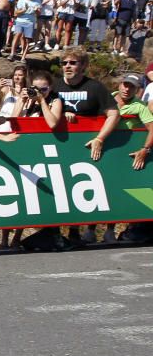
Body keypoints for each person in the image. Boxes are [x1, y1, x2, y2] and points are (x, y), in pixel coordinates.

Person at [52, 48, 121, 244]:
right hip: (58, 147)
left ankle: (92, 229)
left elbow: (114, 114)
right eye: (65, 62)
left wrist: (100, 138)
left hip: (87, 147)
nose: (67, 66)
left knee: (87, 189)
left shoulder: (95, 87)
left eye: (73, 63)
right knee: (61, 187)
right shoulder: (55, 87)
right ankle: (66, 231)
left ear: (83, 66)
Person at [112, 73, 153, 173]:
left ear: (137, 90)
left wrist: (145, 149)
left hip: (125, 149)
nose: (127, 89)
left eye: (132, 87)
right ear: (120, 84)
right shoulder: (106, 98)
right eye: (125, 85)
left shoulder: (140, 106)